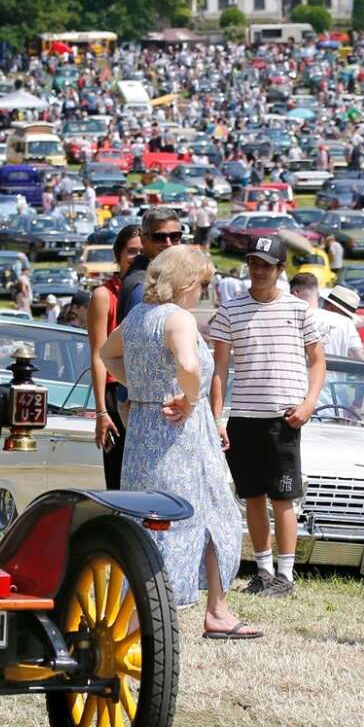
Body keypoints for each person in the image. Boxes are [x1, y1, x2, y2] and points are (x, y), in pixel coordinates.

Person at [99, 243, 259, 640]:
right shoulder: (177, 319)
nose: (204, 291)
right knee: (202, 515)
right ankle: (172, 614)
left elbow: (107, 353)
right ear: (187, 281)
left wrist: (142, 387)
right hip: (181, 433)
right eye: (203, 282)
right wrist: (188, 398)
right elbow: (188, 366)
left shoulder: (138, 315)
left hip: (146, 430)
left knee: (155, 519)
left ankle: (202, 610)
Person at [208, 234, 324, 598]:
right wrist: (217, 418)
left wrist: (308, 403)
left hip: (284, 416)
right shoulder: (230, 309)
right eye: (254, 264)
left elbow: (318, 361)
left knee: (284, 497)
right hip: (244, 415)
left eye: (266, 265)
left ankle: (285, 575)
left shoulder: (299, 310)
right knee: (252, 496)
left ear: (280, 269)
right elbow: (219, 369)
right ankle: (262, 569)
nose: (258, 271)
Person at [87, 224, 143, 491]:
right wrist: (100, 410)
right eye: (130, 251)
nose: (136, 257)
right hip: (114, 390)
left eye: (142, 251)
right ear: (118, 255)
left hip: (147, 392)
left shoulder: (156, 294)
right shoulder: (104, 295)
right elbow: (98, 355)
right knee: (118, 478)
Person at [119, 206, 184, 319]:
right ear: (144, 240)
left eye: (175, 236)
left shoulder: (161, 275)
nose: (168, 243)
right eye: (159, 237)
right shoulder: (142, 284)